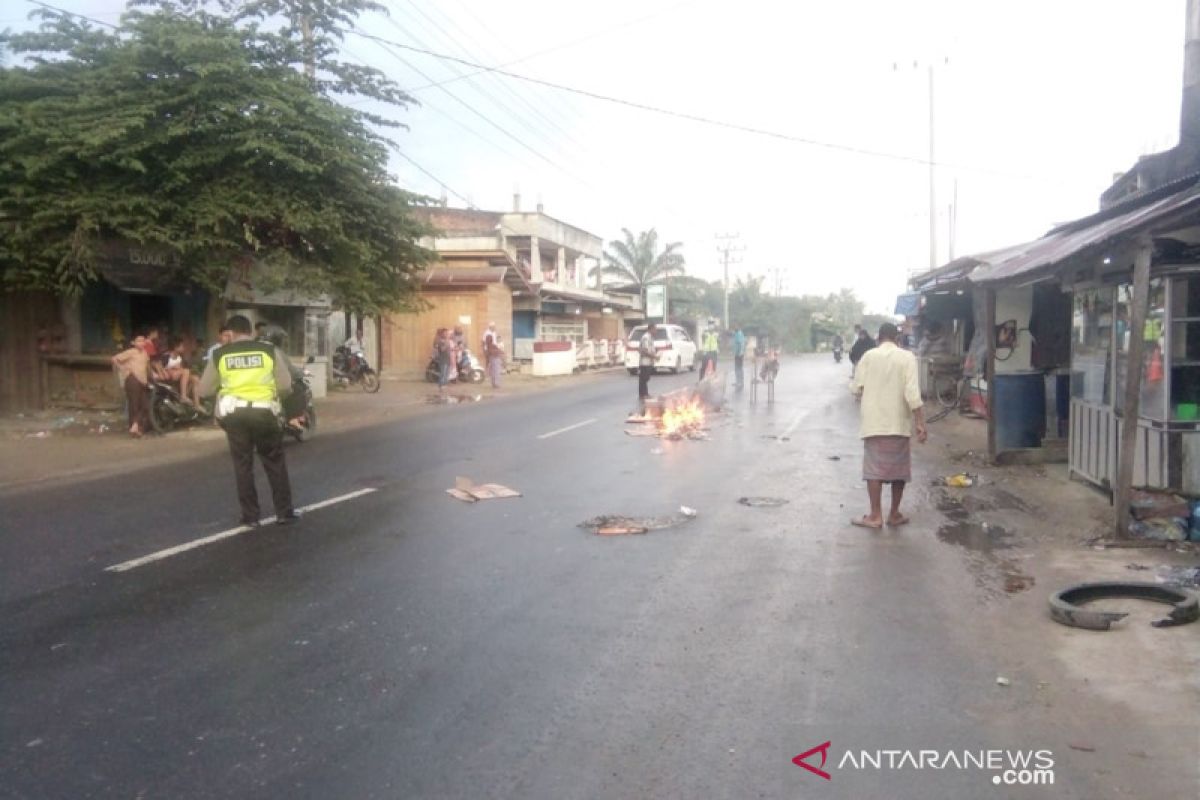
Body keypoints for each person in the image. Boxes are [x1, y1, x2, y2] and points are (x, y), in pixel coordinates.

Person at [198, 315, 298, 527]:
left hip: (235, 416)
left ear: (230, 334)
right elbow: (285, 385)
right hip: (264, 413)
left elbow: (204, 390)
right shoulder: (268, 350)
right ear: (251, 331)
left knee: (243, 465)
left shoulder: (219, 354)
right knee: (274, 462)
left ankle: (251, 517)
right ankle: (284, 512)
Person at [850, 322, 926, 529]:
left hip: (874, 423)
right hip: (898, 422)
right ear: (897, 338)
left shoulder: (868, 357)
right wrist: (920, 422)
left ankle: (875, 515)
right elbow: (912, 393)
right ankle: (894, 514)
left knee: (874, 470)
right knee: (898, 471)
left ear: (879, 338)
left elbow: (856, 388)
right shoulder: (907, 357)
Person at [111, 335, 151, 437]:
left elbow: (147, 367)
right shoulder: (131, 352)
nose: (141, 343)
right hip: (132, 380)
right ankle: (134, 427)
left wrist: (153, 375)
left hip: (143, 381)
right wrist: (124, 369)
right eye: (138, 341)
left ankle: (135, 426)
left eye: (143, 341)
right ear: (134, 343)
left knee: (145, 405)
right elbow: (115, 358)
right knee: (134, 404)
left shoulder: (145, 353)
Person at [163, 337, 201, 406]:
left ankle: (197, 404)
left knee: (195, 379)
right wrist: (173, 368)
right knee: (186, 371)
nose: (183, 348)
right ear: (175, 347)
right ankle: (183, 396)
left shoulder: (180, 357)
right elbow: (161, 368)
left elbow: (182, 368)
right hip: (171, 376)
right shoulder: (167, 356)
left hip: (180, 375)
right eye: (181, 346)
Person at [638, 323, 657, 404]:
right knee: (643, 378)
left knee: (645, 378)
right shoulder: (646, 337)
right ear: (651, 329)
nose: (656, 331)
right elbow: (645, 350)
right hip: (645, 361)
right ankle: (643, 394)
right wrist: (654, 356)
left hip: (649, 361)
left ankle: (645, 393)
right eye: (655, 329)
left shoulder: (650, 337)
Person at [482, 321, 504, 390]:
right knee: (496, 368)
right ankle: (496, 383)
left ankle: (494, 383)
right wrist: (497, 350)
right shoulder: (488, 334)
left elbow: (493, 343)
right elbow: (488, 345)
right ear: (490, 327)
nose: (495, 328)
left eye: (494, 327)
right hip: (492, 353)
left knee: (494, 368)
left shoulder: (493, 333)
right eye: (493, 327)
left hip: (493, 352)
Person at [434, 327, 454, 393]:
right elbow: (442, 350)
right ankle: (441, 386)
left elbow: (449, 350)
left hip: (448, 359)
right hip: (443, 359)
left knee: (447, 374)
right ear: (442, 334)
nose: (447, 334)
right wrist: (447, 343)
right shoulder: (440, 341)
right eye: (445, 333)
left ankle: (445, 385)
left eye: (447, 333)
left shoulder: (447, 341)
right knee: (443, 373)